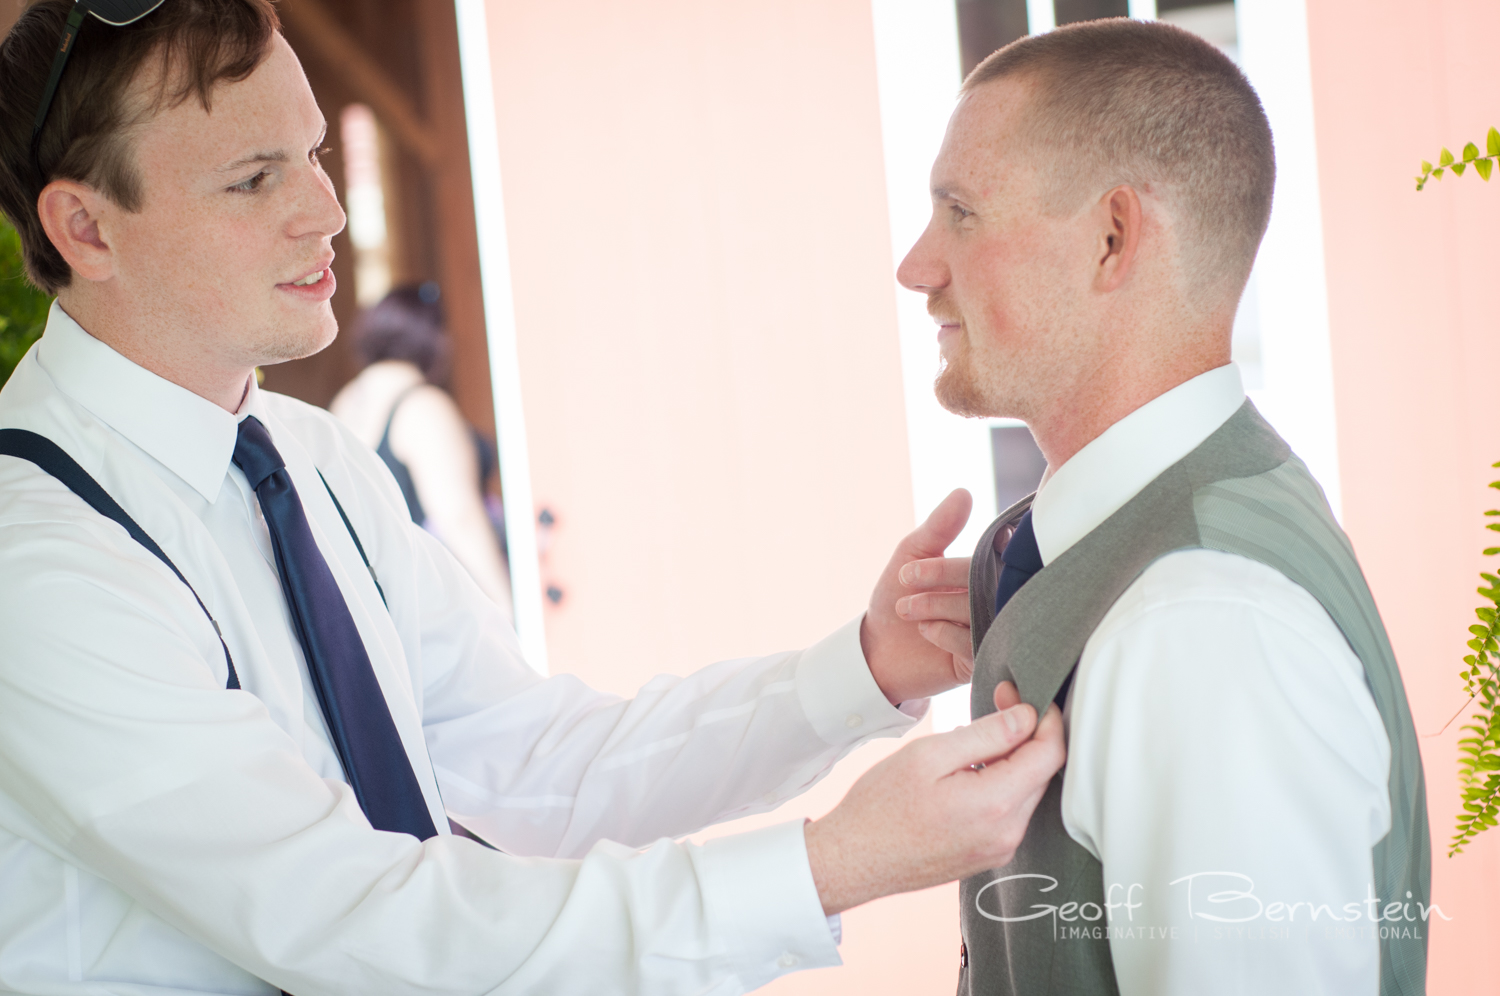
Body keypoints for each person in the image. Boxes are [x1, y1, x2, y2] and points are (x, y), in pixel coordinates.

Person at [0, 0, 1066, 992]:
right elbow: (365, 924)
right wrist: (835, 862)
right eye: (254, 179)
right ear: (86, 229)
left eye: (315, 153)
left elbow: (537, 760)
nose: (323, 210)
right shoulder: (37, 565)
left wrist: (865, 671)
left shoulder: (310, 460)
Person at [897, 18, 1428, 996]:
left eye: (961, 213)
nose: (918, 267)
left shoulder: (1200, 622)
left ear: (1112, 238)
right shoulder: (1141, 558)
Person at [330, 284, 515, 619]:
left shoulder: (346, 402)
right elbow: (458, 516)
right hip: (437, 606)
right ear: (435, 340)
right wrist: (507, 606)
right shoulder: (423, 406)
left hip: (388, 605)